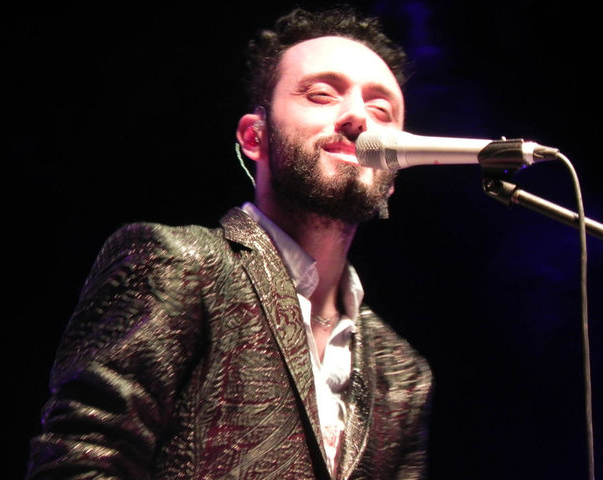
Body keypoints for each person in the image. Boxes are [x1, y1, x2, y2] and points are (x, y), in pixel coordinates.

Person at [26, 6, 433, 480]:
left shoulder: (402, 372)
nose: (358, 117)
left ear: (394, 171)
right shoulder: (178, 266)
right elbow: (80, 462)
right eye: (322, 95)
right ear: (254, 137)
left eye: (381, 110)